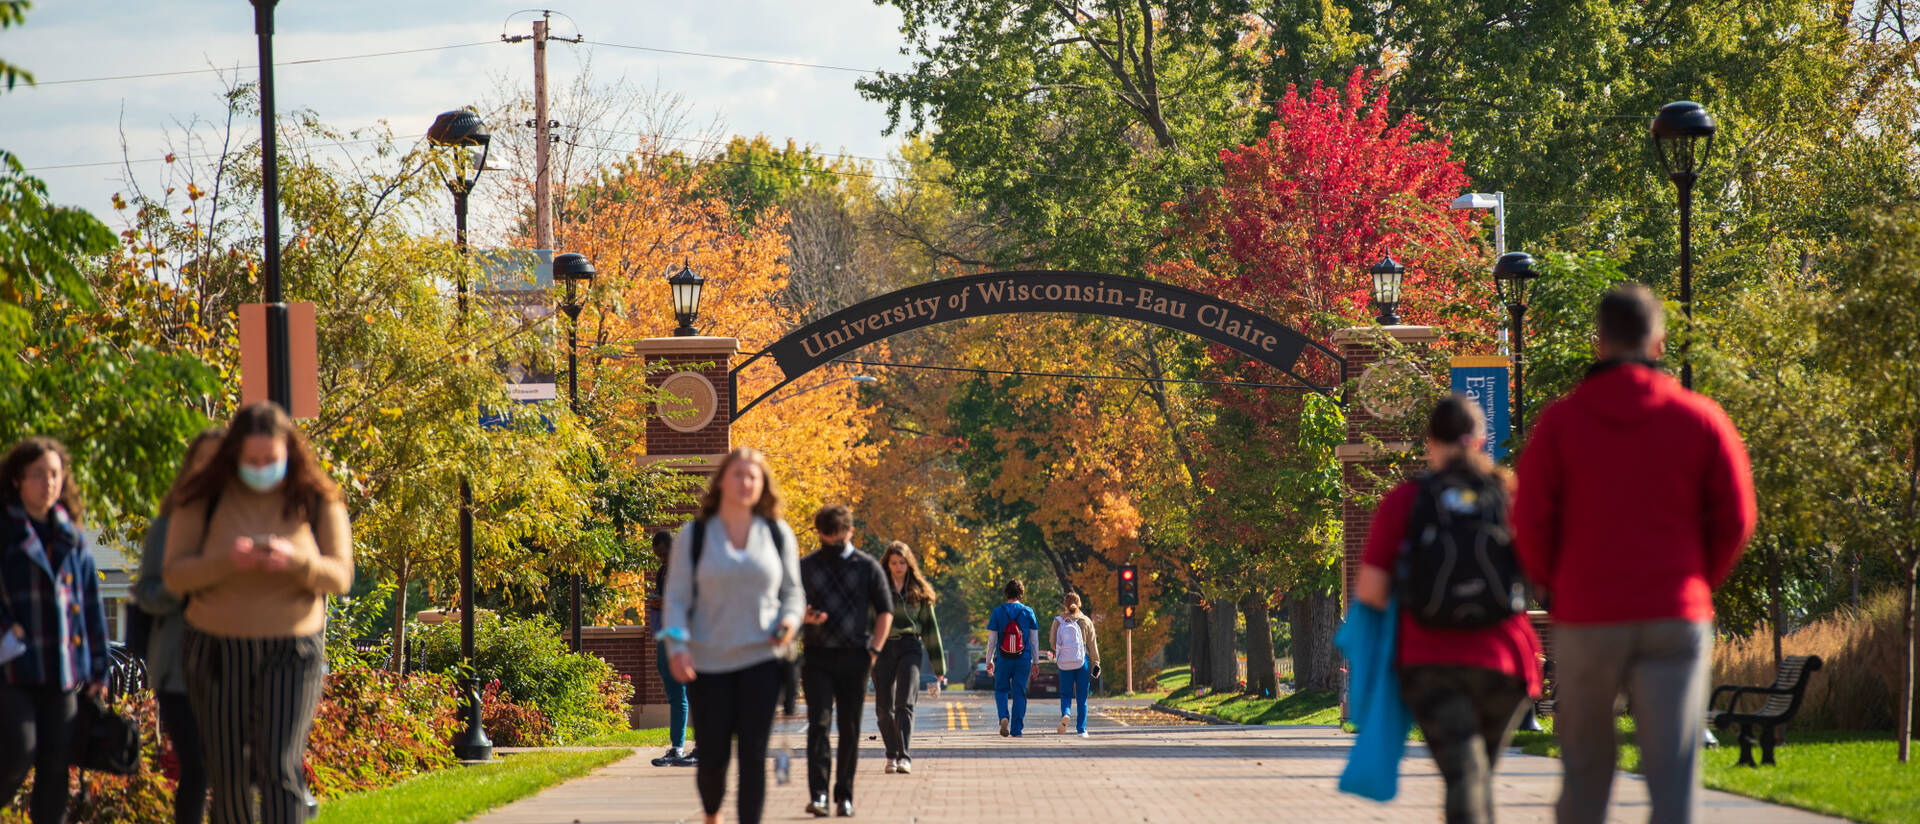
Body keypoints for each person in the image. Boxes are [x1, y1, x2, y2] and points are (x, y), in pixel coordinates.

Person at [1514, 285, 1755, 824]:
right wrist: (1697, 579)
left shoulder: (1560, 424)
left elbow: (1528, 521)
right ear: (1660, 341)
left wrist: (1554, 585)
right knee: (1673, 779)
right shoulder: (1700, 419)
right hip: (1674, 613)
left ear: (1599, 344)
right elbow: (1737, 517)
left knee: (1585, 776)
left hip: (1587, 616)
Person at [1355, 396, 1543, 824]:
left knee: (1465, 776)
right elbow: (1541, 570)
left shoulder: (1407, 500)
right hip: (1505, 663)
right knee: (1476, 776)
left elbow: (1370, 590)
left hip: (1430, 662)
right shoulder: (1509, 495)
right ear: (1479, 440)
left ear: (1429, 443)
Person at [164, 402, 354, 824]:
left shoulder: (317, 497)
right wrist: (228, 561)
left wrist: (295, 562)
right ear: (233, 454)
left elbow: (340, 576)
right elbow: (175, 575)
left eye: (271, 459)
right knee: (228, 774)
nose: (261, 468)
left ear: (291, 451)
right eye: (251, 460)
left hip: (292, 649)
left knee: (281, 767)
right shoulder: (203, 497)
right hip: (215, 648)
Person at [660, 448, 803, 824]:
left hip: (762, 660)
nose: (745, 482)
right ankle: (712, 814)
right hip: (707, 663)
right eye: (738, 474)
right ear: (722, 480)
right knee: (712, 757)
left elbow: (793, 593)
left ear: (763, 485)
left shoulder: (776, 532)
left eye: (753, 476)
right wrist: (677, 647)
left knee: (754, 754)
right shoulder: (696, 534)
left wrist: (789, 622)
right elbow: (675, 599)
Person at [0, 437, 109, 824]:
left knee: (56, 766)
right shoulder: (6, 532)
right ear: (17, 480)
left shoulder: (72, 537)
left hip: (62, 670)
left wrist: (99, 668)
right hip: (12, 669)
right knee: (18, 750)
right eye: (38, 475)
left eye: (54, 474)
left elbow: (92, 609)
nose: (48, 483)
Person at [135, 428, 225, 824]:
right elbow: (147, 593)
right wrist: (185, 587)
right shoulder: (167, 526)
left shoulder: (241, 524)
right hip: (179, 667)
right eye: (203, 461)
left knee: (228, 768)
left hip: (232, 663)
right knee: (198, 764)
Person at [797, 505, 892, 817]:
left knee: (849, 728)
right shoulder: (806, 566)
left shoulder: (866, 567)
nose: (831, 546)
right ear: (819, 535)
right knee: (818, 725)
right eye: (826, 540)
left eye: (837, 539)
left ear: (850, 532)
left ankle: (844, 795)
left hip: (855, 656)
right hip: (817, 656)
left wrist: (874, 651)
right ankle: (820, 795)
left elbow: (884, 611)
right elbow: (789, 607)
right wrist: (804, 617)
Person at [874, 541, 943, 774]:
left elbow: (930, 628)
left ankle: (904, 756)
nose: (897, 567)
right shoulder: (877, 588)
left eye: (902, 562)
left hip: (910, 647)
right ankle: (891, 754)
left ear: (908, 563)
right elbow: (866, 622)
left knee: (905, 703)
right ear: (887, 563)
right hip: (882, 647)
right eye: (893, 563)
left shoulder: (919, 592)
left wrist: (938, 665)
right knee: (884, 707)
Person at [645, 530, 694, 768]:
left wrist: (663, 602)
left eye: (665, 554)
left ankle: (682, 747)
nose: (661, 558)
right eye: (658, 555)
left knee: (687, 692)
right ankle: (677, 747)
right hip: (666, 632)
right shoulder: (663, 571)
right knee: (674, 691)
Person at [984, 579, 1038, 738]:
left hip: (1003, 658)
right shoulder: (1028, 612)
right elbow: (1034, 641)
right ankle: (1017, 729)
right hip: (1023, 658)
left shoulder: (998, 611)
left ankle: (1003, 717)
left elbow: (991, 640)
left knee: (1001, 690)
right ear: (1021, 593)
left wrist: (989, 660)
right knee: (1019, 692)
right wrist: (1036, 662)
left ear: (1006, 593)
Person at [1051, 592, 1100, 738]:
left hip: (1064, 662)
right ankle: (1081, 729)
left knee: (1065, 694)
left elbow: (1053, 644)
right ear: (1079, 604)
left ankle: (1066, 713)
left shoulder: (1058, 621)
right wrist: (1096, 662)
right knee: (1081, 697)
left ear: (1065, 604)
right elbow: (1092, 645)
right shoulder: (1085, 620)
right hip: (1082, 662)